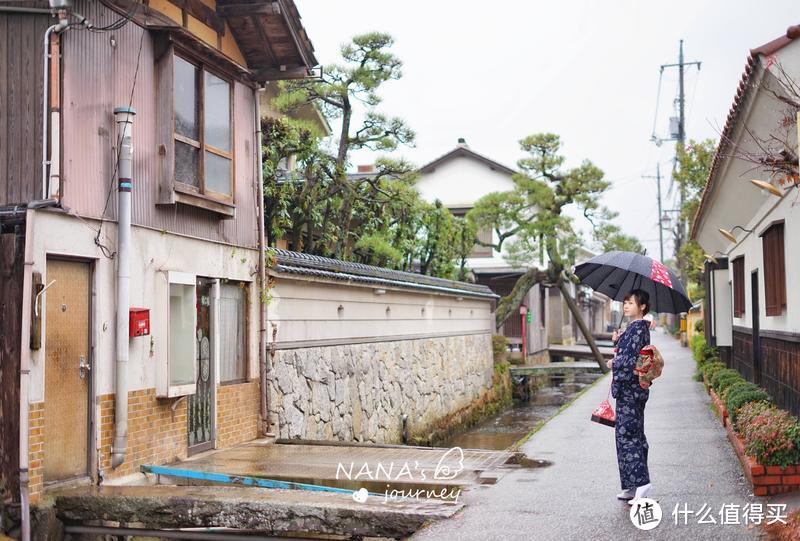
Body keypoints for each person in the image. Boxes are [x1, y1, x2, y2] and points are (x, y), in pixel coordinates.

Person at [606, 289, 652, 505]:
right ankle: (631, 485)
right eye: (625, 302)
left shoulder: (638, 329)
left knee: (629, 436)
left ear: (642, 306)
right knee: (626, 435)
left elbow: (630, 358)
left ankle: (642, 484)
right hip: (630, 390)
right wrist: (617, 341)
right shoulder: (633, 329)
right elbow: (625, 353)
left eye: (631, 302)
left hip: (631, 391)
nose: (626, 306)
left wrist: (613, 363)